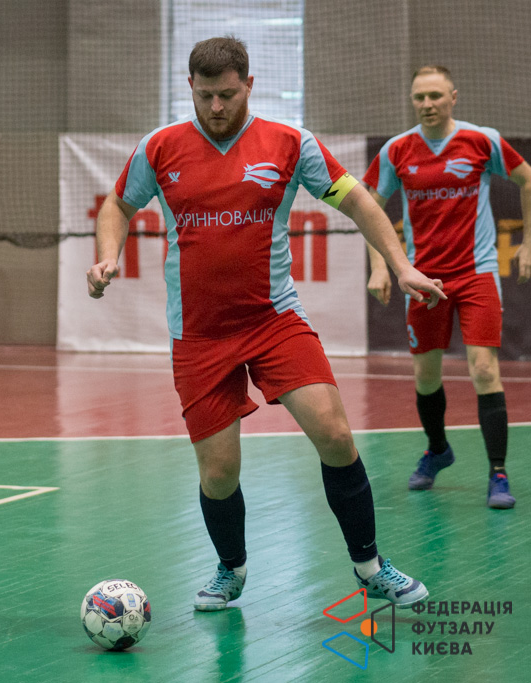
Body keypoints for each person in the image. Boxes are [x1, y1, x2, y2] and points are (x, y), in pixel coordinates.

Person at [87, 37, 444, 612]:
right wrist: (108, 256)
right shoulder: (160, 146)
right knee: (219, 472)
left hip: (274, 319)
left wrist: (400, 266)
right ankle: (231, 568)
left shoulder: (290, 143)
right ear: (190, 88)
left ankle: (370, 565)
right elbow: (118, 205)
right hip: (198, 334)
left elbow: (358, 200)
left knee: (335, 435)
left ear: (249, 85)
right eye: (205, 95)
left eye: (228, 95)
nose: (216, 107)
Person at [363, 65, 530, 510]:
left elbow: (527, 178)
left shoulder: (482, 140)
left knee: (484, 370)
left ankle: (498, 472)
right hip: (423, 279)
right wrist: (380, 266)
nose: (427, 104)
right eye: (420, 97)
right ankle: (438, 450)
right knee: (426, 376)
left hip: (477, 272)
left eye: (435, 96)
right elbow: (368, 206)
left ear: (453, 97)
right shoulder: (397, 149)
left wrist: (529, 243)